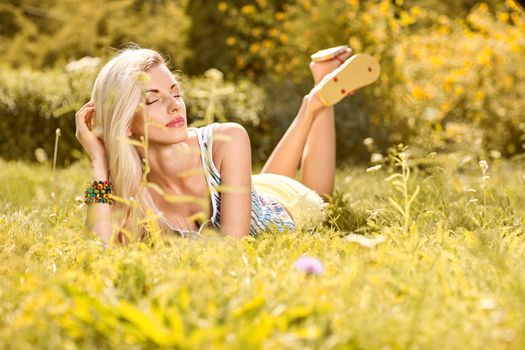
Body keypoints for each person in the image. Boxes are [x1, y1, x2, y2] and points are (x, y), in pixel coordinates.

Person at [75, 46, 376, 244]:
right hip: (252, 191)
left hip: (288, 206)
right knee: (262, 186)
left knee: (321, 197)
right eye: (153, 98)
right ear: (125, 121)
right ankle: (316, 93)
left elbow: (233, 246)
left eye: (175, 93)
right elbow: (99, 247)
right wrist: (100, 163)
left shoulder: (227, 138)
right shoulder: (130, 187)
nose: (174, 106)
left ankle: (315, 103)